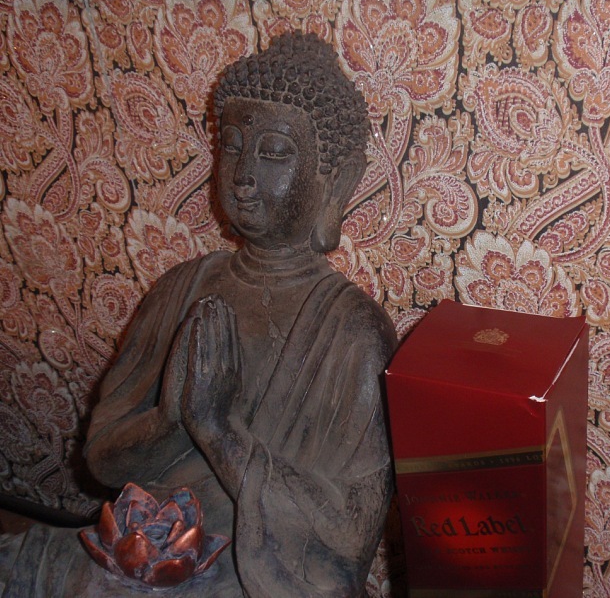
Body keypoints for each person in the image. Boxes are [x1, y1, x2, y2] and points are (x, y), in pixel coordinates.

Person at [0, 32, 396, 598]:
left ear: (336, 180)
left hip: (252, 574)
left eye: (275, 153)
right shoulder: (182, 288)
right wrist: (171, 417)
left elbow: (346, 537)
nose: (243, 175)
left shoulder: (353, 333)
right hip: (140, 541)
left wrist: (218, 430)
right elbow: (103, 462)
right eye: (232, 145)